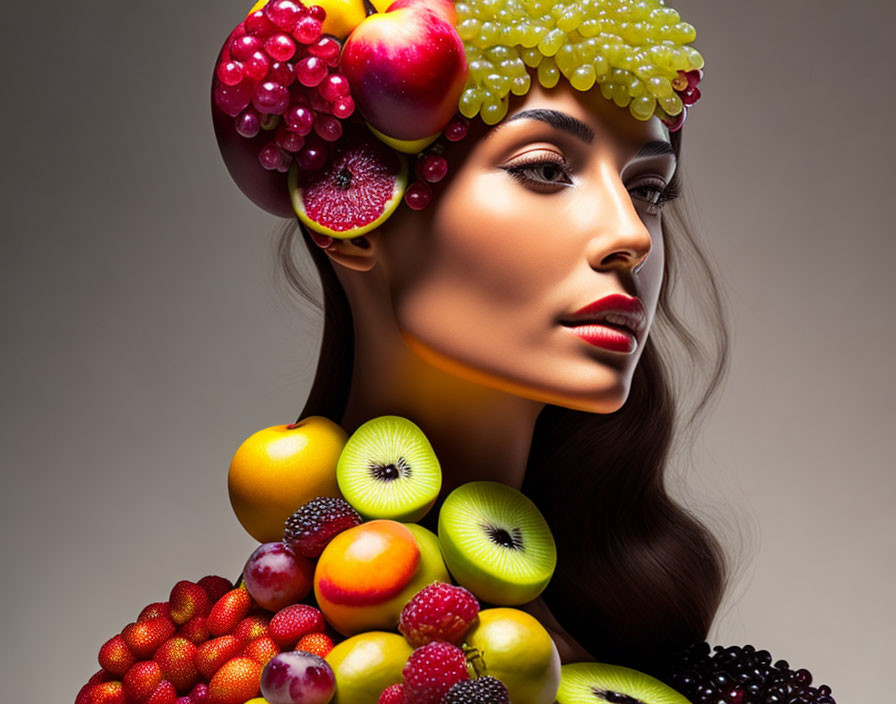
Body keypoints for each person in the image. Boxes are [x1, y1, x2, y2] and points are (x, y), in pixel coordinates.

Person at [252, 6, 729, 675]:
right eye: (543, 170)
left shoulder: (629, 620)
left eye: (647, 189)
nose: (633, 236)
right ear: (351, 219)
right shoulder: (266, 669)